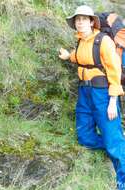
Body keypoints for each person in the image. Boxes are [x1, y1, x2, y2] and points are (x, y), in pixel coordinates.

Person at [59, 5, 125, 190]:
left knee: (113, 140)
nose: (80, 22)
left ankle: (122, 181)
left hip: (103, 94)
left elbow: (114, 70)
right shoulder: (81, 41)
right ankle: (118, 146)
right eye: (77, 20)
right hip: (85, 94)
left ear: (91, 21)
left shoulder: (103, 41)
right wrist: (68, 56)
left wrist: (113, 101)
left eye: (83, 19)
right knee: (85, 137)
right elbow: (82, 58)